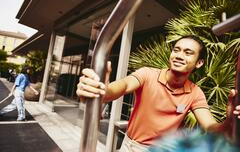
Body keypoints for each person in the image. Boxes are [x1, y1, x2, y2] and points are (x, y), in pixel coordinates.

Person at [76, 35, 240, 151]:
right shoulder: (147, 74)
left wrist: (230, 120)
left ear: (199, 63)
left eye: (188, 53)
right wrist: (102, 89)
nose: (179, 55)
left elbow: (211, 127)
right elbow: (123, 87)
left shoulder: (195, 93)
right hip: (131, 147)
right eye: (176, 50)